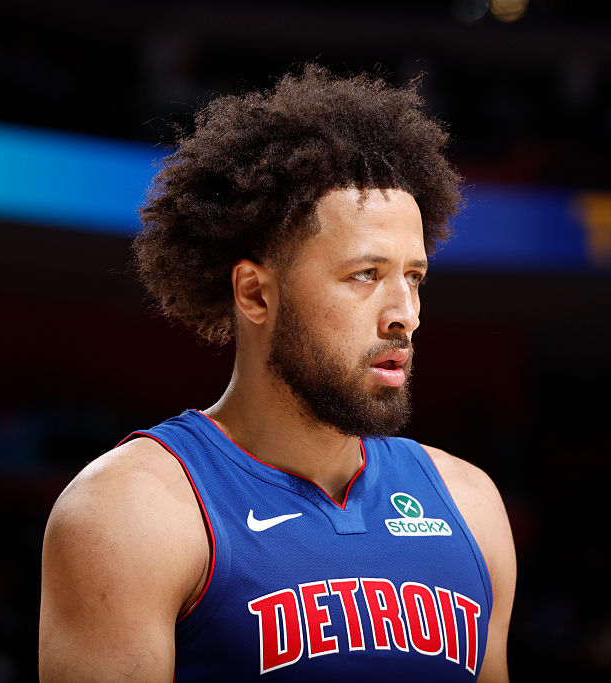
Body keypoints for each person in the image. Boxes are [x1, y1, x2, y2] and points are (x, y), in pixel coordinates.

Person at [38, 64, 516, 681]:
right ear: (255, 293)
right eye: (365, 275)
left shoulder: (472, 506)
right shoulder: (131, 512)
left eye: (414, 277)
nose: (406, 314)